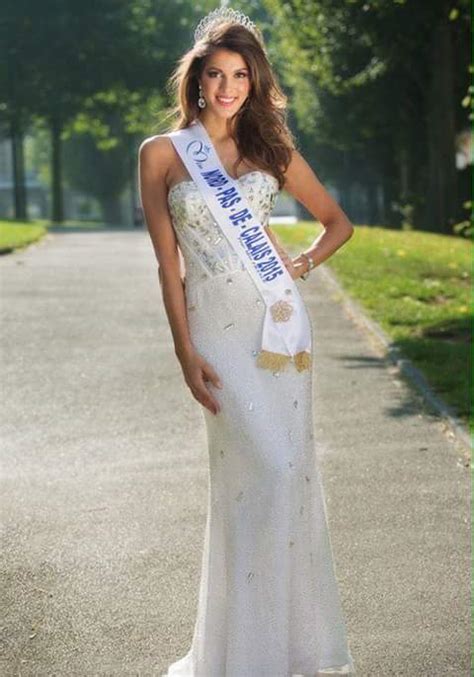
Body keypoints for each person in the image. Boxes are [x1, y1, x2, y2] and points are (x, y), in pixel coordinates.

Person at [138, 7, 356, 676]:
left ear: (254, 82)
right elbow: (167, 265)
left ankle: (285, 649)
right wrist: (184, 353)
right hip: (218, 338)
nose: (228, 86)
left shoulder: (272, 152)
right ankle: (237, 653)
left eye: (240, 74)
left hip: (276, 332)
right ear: (196, 80)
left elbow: (336, 224)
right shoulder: (161, 155)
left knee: (287, 476)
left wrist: (302, 263)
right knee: (253, 478)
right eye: (216, 73)